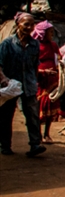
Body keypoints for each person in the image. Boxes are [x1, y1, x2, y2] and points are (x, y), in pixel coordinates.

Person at [0, 13, 45, 157]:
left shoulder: (35, 44)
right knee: (6, 117)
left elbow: (35, 66)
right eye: (26, 24)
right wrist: (5, 79)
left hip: (29, 85)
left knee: (32, 116)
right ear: (18, 24)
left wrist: (36, 83)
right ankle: (5, 145)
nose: (29, 27)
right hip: (11, 86)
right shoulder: (7, 44)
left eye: (32, 24)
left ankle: (35, 144)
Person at [33, 20, 64, 143]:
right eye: (49, 32)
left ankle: (47, 133)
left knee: (52, 105)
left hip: (53, 79)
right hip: (40, 80)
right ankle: (38, 134)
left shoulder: (54, 45)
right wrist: (44, 71)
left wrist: (61, 68)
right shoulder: (35, 46)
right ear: (42, 33)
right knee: (40, 105)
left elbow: (58, 59)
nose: (52, 34)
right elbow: (32, 64)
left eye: (52, 32)